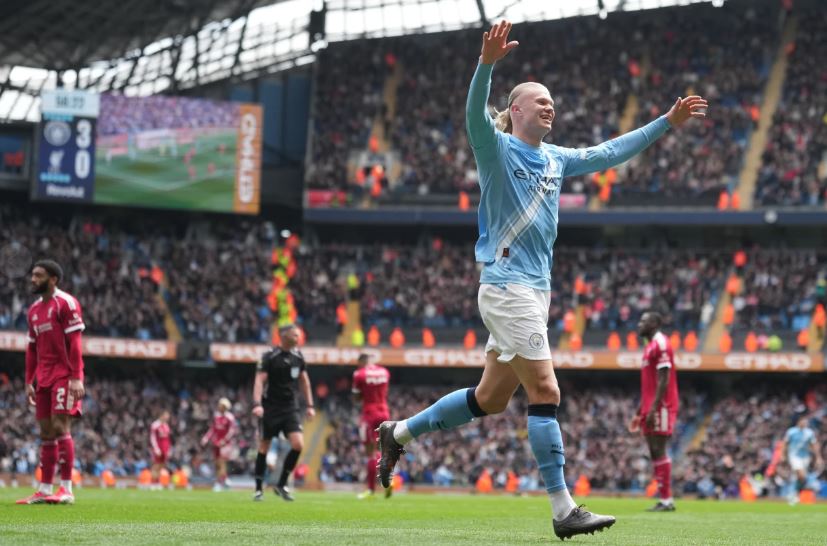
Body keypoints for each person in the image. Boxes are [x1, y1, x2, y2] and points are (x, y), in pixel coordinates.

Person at [375, 20, 707, 540]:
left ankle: (397, 432)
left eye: (552, 100)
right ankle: (562, 510)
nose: (550, 106)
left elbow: (609, 152)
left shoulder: (555, 159)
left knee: (487, 400)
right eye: (540, 100)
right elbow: (472, 114)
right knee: (546, 390)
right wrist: (486, 64)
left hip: (532, 291)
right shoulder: (496, 149)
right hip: (508, 288)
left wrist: (664, 121)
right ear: (517, 111)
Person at [16, 260, 85, 505]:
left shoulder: (66, 303)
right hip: (43, 377)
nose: (33, 279)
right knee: (46, 432)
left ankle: (66, 488)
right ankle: (45, 489)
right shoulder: (33, 310)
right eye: (32, 274)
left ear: (53, 279)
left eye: (38, 275)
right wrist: (28, 381)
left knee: (59, 426)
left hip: (65, 374)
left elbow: (75, 343)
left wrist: (76, 377)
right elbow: (31, 349)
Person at [252, 324, 315, 502]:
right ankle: (258, 488)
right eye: (295, 335)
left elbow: (305, 382)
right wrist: (257, 404)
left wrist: (310, 405)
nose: (298, 338)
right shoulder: (269, 357)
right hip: (270, 407)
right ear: (284, 336)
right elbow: (259, 381)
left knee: (298, 445)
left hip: (290, 407)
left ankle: (281, 484)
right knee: (264, 446)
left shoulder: (298, 356)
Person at [628, 311, 679, 512]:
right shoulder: (649, 347)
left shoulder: (661, 344)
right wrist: (639, 411)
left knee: (659, 448)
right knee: (653, 450)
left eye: (644, 321)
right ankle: (664, 499)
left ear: (655, 324)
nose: (639, 324)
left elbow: (664, 380)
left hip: (662, 406)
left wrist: (654, 408)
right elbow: (648, 385)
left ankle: (667, 500)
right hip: (651, 407)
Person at [351, 353, 391, 499]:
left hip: (369, 413)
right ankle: (387, 481)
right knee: (381, 450)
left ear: (361, 361)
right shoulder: (384, 372)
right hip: (384, 412)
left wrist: (362, 394)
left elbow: (356, 398)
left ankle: (371, 490)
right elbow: (384, 391)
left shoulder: (359, 374)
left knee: (370, 453)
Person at [781, 414, 822, 505]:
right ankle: (798, 491)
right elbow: (785, 443)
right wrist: (783, 455)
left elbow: (814, 445)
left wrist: (818, 457)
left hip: (805, 457)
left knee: (800, 478)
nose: (805, 422)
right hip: (794, 456)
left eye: (806, 421)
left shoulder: (809, 432)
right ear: (798, 422)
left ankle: (793, 494)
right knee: (802, 475)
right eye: (804, 421)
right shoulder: (791, 431)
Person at [201, 397, 238, 492]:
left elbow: (232, 431)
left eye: (221, 405)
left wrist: (224, 440)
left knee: (221, 463)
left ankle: (218, 483)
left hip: (225, 445)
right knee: (217, 463)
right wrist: (206, 438)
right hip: (216, 443)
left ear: (225, 406)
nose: (219, 406)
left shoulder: (230, 417)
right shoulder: (216, 416)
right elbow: (212, 429)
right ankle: (225, 480)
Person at [150, 410, 172, 489]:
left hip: (165, 448)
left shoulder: (166, 425)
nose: (168, 417)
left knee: (161, 466)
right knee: (156, 465)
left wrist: (169, 449)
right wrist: (156, 449)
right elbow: (153, 438)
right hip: (158, 448)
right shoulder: (155, 425)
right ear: (161, 415)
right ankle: (153, 483)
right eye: (166, 415)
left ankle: (157, 482)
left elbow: (168, 439)